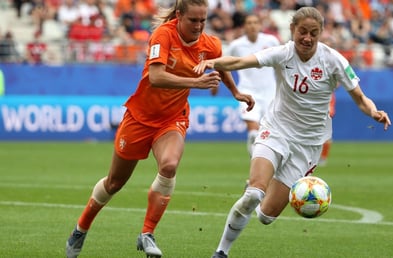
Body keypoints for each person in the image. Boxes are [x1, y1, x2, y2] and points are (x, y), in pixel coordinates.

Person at [193, 6, 391, 258]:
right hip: (276, 130)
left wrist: (374, 112)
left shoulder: (334, 61)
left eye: (313, 33)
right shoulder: (283, 53)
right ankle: (221, 251)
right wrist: (212, 62)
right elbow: (241, 61)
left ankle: (258, 194)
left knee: (265, 216)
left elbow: (361, 98)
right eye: (302, 32)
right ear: (292, 30)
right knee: (253, 193)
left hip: (308, 145)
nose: (307, 38)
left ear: (321, 33)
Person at [65, 0, 254, 257]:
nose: (199, 26)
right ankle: (81, 227)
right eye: (193, 20)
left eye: (203, 20)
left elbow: (219, 64)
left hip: (172, 119)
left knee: (169, 165)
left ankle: (147, 233)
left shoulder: (210, 44)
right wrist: (196, 83)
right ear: (179, 15)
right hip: (139, 119)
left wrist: (236, 92)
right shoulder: (163, 35)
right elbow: (156, 77)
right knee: (114, 183)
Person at [226, 13, 280, 157]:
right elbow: (223, 64)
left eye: (255, 22)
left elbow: (282, 64)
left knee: (270, 134)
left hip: (270, 93)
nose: (252, 25)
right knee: (253, 132)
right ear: (244, 26)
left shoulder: (271, 41)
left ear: (260, 25)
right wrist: (215, 83)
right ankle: (256, 168)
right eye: (249, 23)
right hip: (247, 92)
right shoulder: (236, 45)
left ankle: (270, 167)